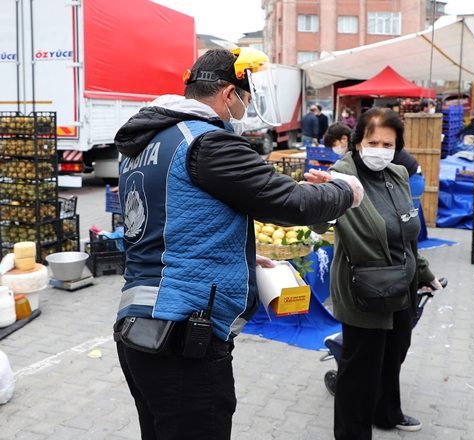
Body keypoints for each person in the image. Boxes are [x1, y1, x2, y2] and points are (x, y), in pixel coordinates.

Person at [112, 48, 363, 440]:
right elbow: (293, 204)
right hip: (183, 339)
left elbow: (168, 225)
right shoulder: (207, 143)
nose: (247, 106)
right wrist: (345, 190)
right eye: (246, 96)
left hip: (139, 331)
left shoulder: (145, 146)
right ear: (229, 94)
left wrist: (237, 251)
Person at [307, 107, 442, 439]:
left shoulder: (397, 174)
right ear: (358, 142)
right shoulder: (341, 176)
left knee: (394, 353)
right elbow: (318, 223)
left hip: (403, 284)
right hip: (363, 289)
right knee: (360, 368)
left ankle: (387, 412)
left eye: (388, 143)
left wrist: (424, 273)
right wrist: (322, 197)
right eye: (373, 141)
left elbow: (407, 234)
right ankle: (353, 433)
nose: (380, 150)